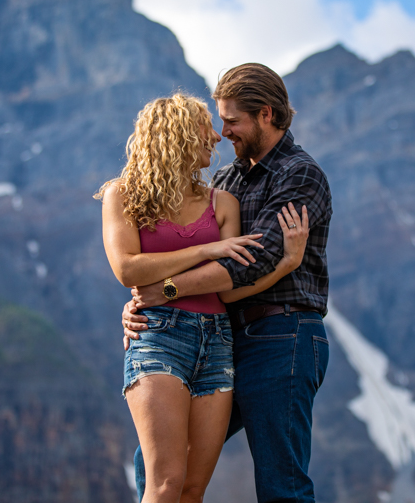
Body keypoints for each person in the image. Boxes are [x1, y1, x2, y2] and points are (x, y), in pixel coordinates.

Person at [124, 63, 333, 503]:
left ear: (267, 115)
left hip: (283, 335)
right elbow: (187, 256)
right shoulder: (228, 179)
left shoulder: (299, 175)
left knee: (282, 483)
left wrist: (162, 292)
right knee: (159, 463)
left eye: (232, 121)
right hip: (221, 335)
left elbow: (247, 264)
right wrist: (142, 303)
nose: (222, 133)